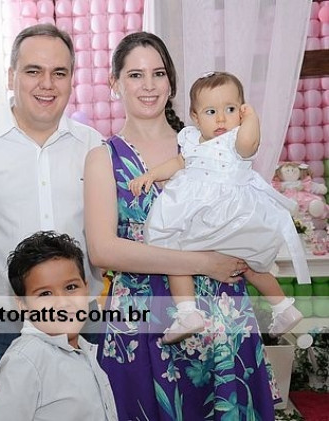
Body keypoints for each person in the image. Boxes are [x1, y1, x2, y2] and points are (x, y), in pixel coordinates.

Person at [84, 32, 279, 420]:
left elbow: (248, 214)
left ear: (171, 83)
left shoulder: (212, 145)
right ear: (114, 83)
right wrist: (203, 262)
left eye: (158, 73)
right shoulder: (102, 158)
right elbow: (103, 251)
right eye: (136, 75)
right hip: (142, 317)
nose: (149, 85)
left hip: (222, 310)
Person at [0, 23, 105, 420]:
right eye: (33, 71)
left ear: (72, 79)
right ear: (11, 76)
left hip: (82, 324)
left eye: (59, 72)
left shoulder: (93, 146)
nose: (47, 84)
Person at [128, 71, 306, 344]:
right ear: (196, 117)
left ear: (241, 112)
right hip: (211, 214)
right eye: (211, 112)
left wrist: (251, 119)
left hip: (227, 214)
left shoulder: (236, 139)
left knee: (179, 252)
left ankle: (188, 313)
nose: (222, 119)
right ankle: (282, 308)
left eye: (231, 109)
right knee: (240, 263)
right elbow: (178, 163)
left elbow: (248, 145)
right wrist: (151, 174)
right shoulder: (191, 140)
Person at [0, 231, 118, 421]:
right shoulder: (24, 362)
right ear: (23, 304)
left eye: (71, 287)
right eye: (45, 294)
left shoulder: (86, 351)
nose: (62, 303)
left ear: (86, 288)